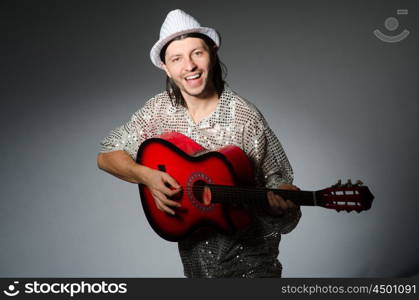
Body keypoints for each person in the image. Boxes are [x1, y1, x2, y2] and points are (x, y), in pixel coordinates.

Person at [97, 9, 301, 278]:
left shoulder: (244, 117)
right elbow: (106, 154)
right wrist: (146, 176)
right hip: (195, 270)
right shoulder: (158, 111)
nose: (189, 66)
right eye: (177, 58)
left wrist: (281, 203)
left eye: (197, 53)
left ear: (213, 55)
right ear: (165, 67)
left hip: (252, 268)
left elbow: (280, 186)